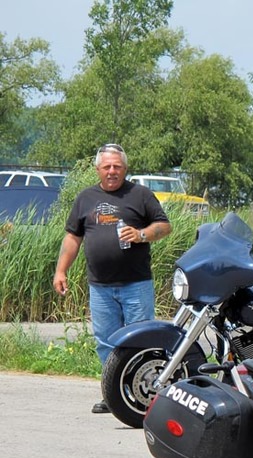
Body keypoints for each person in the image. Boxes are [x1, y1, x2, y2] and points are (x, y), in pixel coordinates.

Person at [53, 144, 172, 414]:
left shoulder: (140, 195)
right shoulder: (85, 198)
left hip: (136, 285)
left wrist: (142, 234)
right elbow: (73, 237)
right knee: (106, 343)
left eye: (117, 166)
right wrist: (61, 271)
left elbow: (164, 226)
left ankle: (149, 397)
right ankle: (113, 396)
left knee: (143, 341)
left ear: (125, 169)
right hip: (100, 287)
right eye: (106, 166)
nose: (111, 171)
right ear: (98, 169)